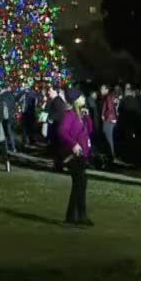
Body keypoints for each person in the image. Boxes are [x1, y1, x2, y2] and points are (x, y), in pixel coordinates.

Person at [58, 88, 93, 226]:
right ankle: (80, 216)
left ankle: (73, 217)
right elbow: (62, 132)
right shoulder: (70, 115)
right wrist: (73, 144)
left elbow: (89, 131)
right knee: (80, 183)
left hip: (82, 154)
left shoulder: (80, 115)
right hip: (74, 155)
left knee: (79, 185)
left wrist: (88, 117)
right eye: (82, 97)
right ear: (76, 100)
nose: (84, 99)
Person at [99, 85, 118, 164]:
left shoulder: (108, 97)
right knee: (109, 139)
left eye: (102, 88)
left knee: (108, 139)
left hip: (108, 120)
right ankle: (111, 156)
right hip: (111, 120)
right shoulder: (110, 97)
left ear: (107, 89)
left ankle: (111, 157)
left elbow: (110, 109)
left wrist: (104, 116)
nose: (100, 90)